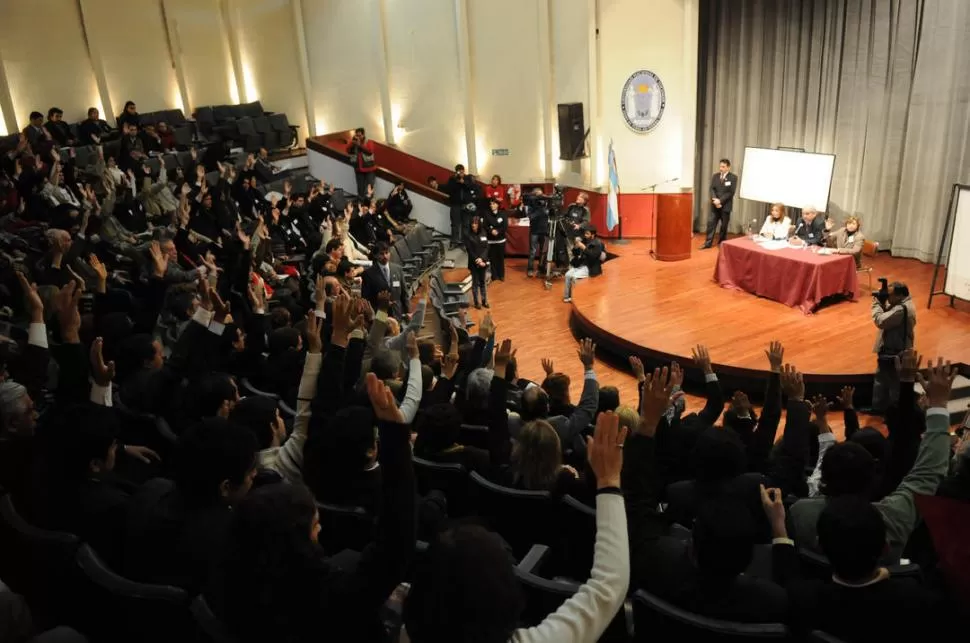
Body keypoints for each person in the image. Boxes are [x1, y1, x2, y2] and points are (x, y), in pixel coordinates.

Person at [207, 374, 417, 643]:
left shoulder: (233, 582)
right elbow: (395, 549)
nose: (319, 530)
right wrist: (396, 440)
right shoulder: (326, 597)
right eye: (315, 528)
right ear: (295, 545)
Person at [403, 408, 630, 643]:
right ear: (511, 606)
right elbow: (608, 586)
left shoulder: (499, 472)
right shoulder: (563, 483)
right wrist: (608, 480)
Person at [871, 282, 915, 411]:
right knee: (882, 381)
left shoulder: (901, 309)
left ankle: (893, 413)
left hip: (895, 353)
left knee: (894, 385)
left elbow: (881, 321)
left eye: (889, 295)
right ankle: (878, 408)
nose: (887, 298)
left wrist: (876, 303)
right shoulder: (901, 304)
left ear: (900, 295)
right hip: (890, 350)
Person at [361, 241, 409, 319]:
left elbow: (404, 293)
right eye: (381, 254)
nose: (385, 256)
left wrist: (408, 312)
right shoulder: (368, 274)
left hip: (397, 313)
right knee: (383, 330)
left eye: (387, 253)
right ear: (375, 255)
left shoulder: (398, 269)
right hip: (380, 314)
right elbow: (366, 298)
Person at [562, 226, 604, 303]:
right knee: (567, 275)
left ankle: (575, 298)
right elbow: (575, 254)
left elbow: (593, 257)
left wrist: (584, 248)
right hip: (581, 264)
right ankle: (567, 296)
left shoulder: (598, 244)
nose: (585, 235)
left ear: (593, 235)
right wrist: (576, 247)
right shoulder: (584, 241)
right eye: (585, 233)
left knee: (574, 277)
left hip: (590, 267)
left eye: (587, 234)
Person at [702, 158, 737, 248]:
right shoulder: (715, 176)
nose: (721, 168)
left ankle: (721, 243)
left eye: (723, 167)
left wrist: (720, 201)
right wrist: (715, 200)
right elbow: (712, 189)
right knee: (711, 224)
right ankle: (707, 243)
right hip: (715, 205)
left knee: (724, 226)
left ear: (728, 167)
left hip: (725, 206)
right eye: (720, 166)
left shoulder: (733, 177)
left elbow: (731, 192)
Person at [446, 164, 478, 248]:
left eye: (462, 171)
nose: (461, 172)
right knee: (455, 224)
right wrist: (457, 181)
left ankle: (465, 242)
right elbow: (449, 189)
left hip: (466, 205)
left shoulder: (468, 178)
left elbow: (472, 187)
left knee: (466, 224)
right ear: (456, 172)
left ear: (464, 171)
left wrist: (464, 182)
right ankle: (454, 242)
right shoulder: (452, 179)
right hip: (455, 205)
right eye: (459, 171)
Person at [523, 188, 549, 278]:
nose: (540, 197)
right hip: (534, 231)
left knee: (543, 251)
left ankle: (542, 267)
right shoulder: (531, 205)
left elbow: (549, 214)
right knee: (533, 251)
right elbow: (530, 217)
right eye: (538, 195)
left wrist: (544, 208)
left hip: (544, 230)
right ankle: (530, 269)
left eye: (541, 195)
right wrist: (539, 210)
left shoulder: (546, 204)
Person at [465, 216, 489, 309]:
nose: (473, 225)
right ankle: (476, 302)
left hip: (483, 262)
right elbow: (469, 250)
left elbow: (486, 247)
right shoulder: (468, 235)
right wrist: (478, 260)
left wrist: (482, 259)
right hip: (474, 263)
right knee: (475, 283)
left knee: (483, 282)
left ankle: (484, 301)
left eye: (476, 223)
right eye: (472, 223)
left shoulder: (483, 233)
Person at [346, 127, 377, 197]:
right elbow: (347, 150)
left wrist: (360, 145)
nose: (358, 137)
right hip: (358, 169)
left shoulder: (369, 141)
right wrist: (352, 142)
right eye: (357, 135)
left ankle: (368, 204)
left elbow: (370, 151)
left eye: (360, 135)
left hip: (369, 169)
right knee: (360, 188)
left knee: (369, 188)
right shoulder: (354, 142)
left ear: (363, 135)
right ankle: (361, 204)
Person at [484, 198, 507, 281]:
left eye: (493, 204)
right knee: (492, 258)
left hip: (501, 240)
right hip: (491, 241)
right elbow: (485, 225)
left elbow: (504, 226)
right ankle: (494, 275)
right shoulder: (487, 214)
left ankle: (501, 275)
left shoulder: (503, 214)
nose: (491, 205)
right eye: (490, 204)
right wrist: (491, 230)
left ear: (497, 205)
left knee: (500, 258)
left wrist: (497, 231)